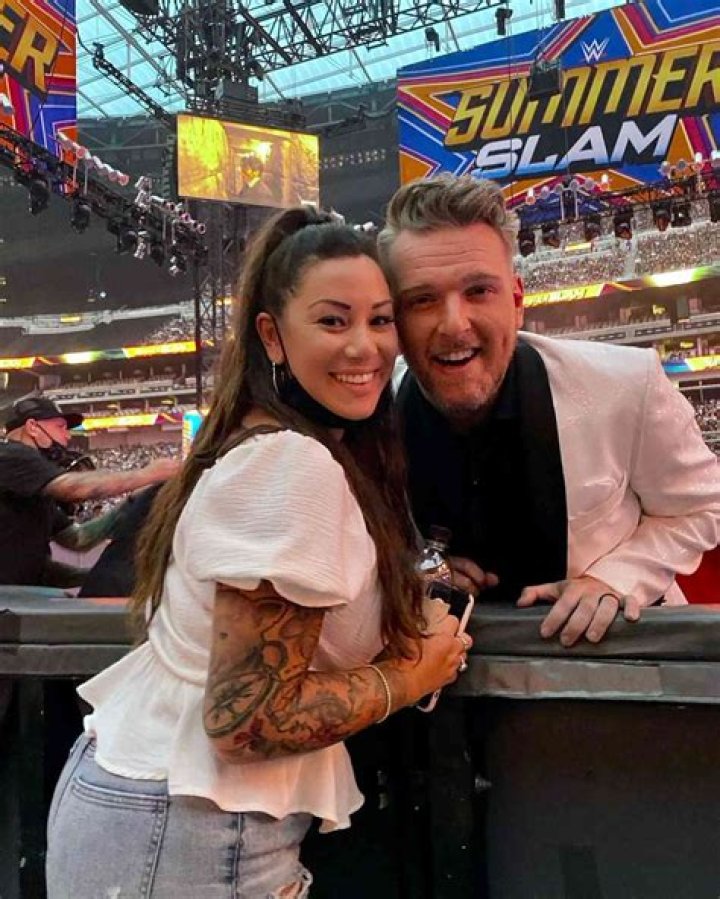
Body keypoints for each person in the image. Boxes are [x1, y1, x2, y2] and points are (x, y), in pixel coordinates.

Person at [45, 207, 471, 898]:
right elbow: (249, 719)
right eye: (332, 321)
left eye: (380, 320)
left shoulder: (265, 444)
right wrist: (411, 676)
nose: (363, 346)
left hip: (163, 819)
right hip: (186, 833)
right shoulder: (290, 463)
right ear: (272, 335)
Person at [378, 173, 720, 647]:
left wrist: (613, 578)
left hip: (607, 667)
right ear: (394, 320)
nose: (454, 325)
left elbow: (703, 505)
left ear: (517, 302)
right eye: (422, 300)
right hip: (446, 681)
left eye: (479, 291)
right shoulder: (371, 417)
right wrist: (416, 570)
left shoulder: (626, 383)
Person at [0, 397, 179, 588]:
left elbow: (78, 538)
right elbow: (74, 488)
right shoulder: (10, 454)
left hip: (17, 594)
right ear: (33, 427)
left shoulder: (33, 487)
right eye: (60, 427)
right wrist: (148, 474)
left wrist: (131, 503)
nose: (68, 436)